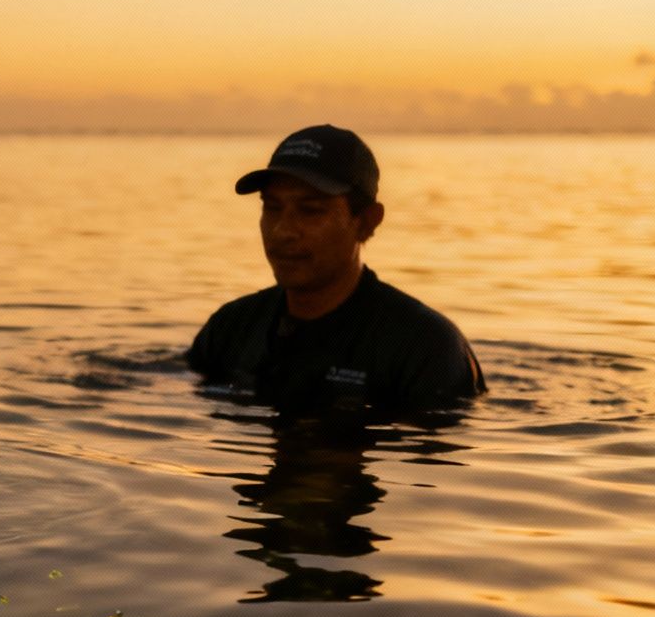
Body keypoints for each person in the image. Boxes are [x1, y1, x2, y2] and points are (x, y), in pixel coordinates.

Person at [188, 125, 485, 415]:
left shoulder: (425, 347)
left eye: (311, 210)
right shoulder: (231, 329)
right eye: (272, 208)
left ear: (367, 221)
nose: (283, 231)